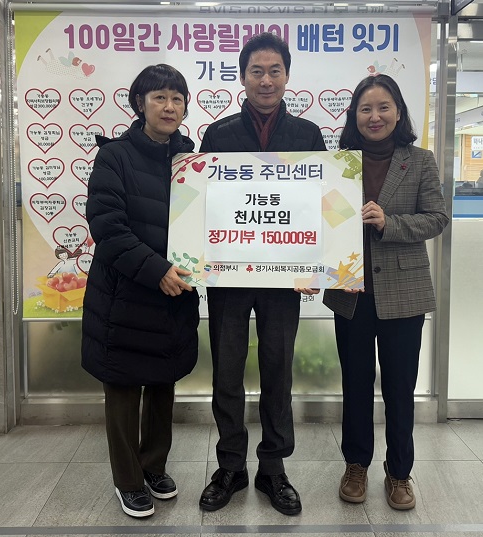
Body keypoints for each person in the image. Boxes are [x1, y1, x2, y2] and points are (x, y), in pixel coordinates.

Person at [198, 32, 326, 516]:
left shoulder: (308, 135)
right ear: (243, 77)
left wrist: (320, 260)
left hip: (283, 278)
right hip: (229, 276)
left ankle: (273, 468)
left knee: (278, 371)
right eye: (257, 71)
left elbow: (323, 204)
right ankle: (230, 466)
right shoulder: (219, 135)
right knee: (227, 373)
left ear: (287, 76)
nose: (266, 80)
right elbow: (203, 205)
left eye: (275, 71)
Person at [323, 74, 449, 510]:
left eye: (383, 107)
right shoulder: (338, 163)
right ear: (354, 116)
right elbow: (320, 219)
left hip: (404, 292)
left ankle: (399, 473)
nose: (374, 116)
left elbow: (436, 218)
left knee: (400, 388)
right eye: (365, 109)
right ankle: (356, 465)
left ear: (398, 112)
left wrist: (389, 223)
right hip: (351, 293)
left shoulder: (420, 160)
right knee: (355, 385)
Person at [81, 64, 199, 518]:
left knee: (163, 384)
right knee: (124, 389)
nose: (169, 107)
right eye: (159, 98)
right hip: (125, 294)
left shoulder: (193, 161)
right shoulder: (114, 157)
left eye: (177, 98)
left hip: (173, 295)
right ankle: (128, 480)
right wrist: (156, 270)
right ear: (140, 104)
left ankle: (154, 466)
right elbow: (108, 229)